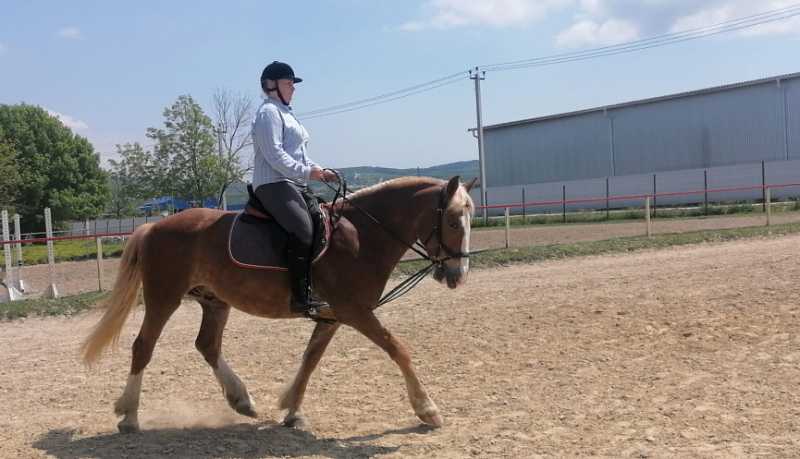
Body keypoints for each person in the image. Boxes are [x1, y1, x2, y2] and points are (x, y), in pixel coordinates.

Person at [251, 61, 337, 316]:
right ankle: (300, 297)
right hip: (272, 184)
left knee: (324, 222)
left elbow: (299, 156)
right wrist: (308, 173)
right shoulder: (268, 112)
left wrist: (321, 171)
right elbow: (274, 156)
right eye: (289, 83)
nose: (293, 88)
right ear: (271, 86)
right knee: (302, 229)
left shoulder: (287, 113)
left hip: (293, 183)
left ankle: (320, 284)